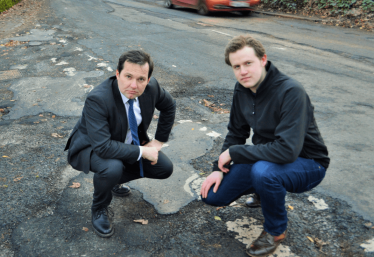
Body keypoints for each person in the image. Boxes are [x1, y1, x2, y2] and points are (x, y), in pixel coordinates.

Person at [200, 35, 329, 257]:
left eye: (248, 63)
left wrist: (233, 153)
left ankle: (276, 231)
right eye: (236, 66)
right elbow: (236, 132)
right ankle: (264, 191)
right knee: (212, 196)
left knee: (264, 172)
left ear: (263, 60)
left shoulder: (291, 92)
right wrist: (216, 169)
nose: (243, 71)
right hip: (267, 159)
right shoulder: (242, 89)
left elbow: (287, 151)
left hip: (308, 163)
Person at [64, 50, 176, 238]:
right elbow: (103, 147)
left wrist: (157, 142)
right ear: (117, 74)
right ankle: (99, 208)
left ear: (148, 79)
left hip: (126, 142)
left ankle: (112, 182)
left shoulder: (152, 88)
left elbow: (169, 106)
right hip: (92, 146)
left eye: (141, 79)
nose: (134, 85)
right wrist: (142, 151)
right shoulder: (98, 99)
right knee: (112, 167)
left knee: (164, 168)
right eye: (128, 76)